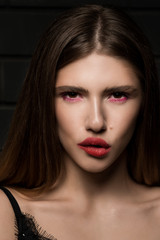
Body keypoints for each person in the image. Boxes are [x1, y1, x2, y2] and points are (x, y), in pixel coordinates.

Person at [0, 4, 160, 240]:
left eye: (117, 95)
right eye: (72, 94)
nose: (96, 122)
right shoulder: (5, 213)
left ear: (145, 103)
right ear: (44, 102)